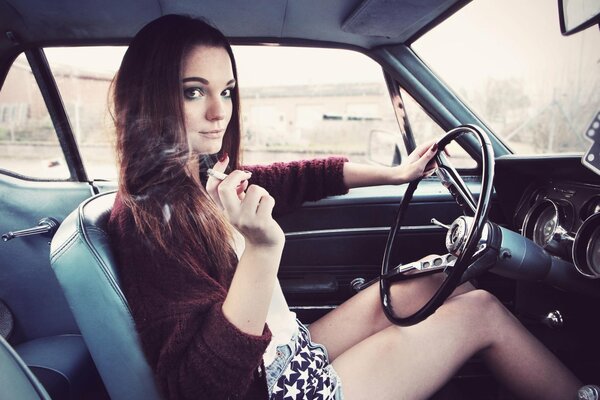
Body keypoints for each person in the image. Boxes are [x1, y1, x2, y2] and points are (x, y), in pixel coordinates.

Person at [107, 14, 581, 400]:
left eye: (226, 90)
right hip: (273, 389)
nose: (219, 110)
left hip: (285, 352)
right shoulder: (149, 220)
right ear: (151, 97)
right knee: (479, 311)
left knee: (446, 281)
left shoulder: (200, 175)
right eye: (194, 91)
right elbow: (203, 390)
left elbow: (304, 176)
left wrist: (395, 174)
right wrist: (262, 249)